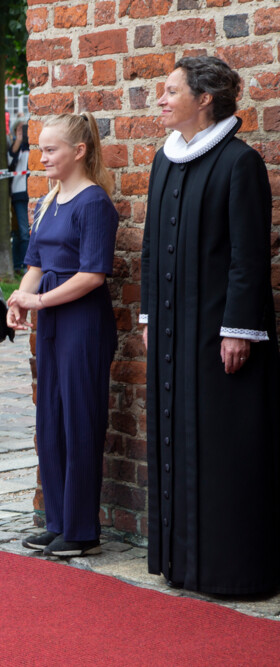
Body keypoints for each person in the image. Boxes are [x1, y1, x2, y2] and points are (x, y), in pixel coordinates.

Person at [141, 56, 280, 595]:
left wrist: (238, 330)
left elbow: (249, 256)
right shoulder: (163, 160)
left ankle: (231, 570)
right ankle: (182, 564)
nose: (161, 98)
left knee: (226, 451)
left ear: (204, 99)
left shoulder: (239, 163)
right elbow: (154, 247)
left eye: (171, 90)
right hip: (174, 329)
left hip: (219, 333)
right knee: (178, 437)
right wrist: (150, 314)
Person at [6, 112, 118, 558]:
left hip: (83, 322)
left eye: (51, 149)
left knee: (80, 420)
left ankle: (81, 529)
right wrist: (20, 299)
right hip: (51, 321)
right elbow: (35, 265)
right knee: (50, 420)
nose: (42, 157)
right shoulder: (47, 201)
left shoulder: (94, 203)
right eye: (41, 149)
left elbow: (92, 275)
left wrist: (38, 303)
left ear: (80, 151)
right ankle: (58, 522)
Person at [8, 121, 30, 272]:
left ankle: (24, 263)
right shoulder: (17, 148)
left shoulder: (33, 146)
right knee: (21, 231)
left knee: (26, 231)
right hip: (19, 192)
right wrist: (19, 140)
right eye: (19, 129)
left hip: (30, 191)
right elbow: (10, 160)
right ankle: (20, 264)